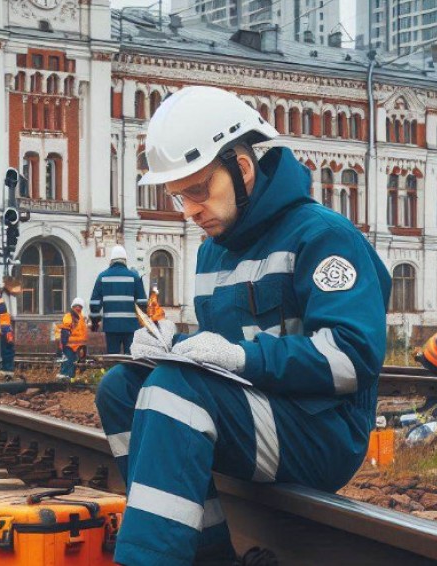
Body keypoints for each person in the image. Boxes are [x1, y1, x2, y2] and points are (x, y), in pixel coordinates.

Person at [94, 86, 391, 566]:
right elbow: (222, 358)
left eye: (197, 190)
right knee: (120, 389)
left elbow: (352, 358)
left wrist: (237, 357)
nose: (188, 210)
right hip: (259, 417)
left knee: (176, 391)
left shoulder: (324, 236)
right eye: (178, 196)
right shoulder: (214, 250)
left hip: (321, 435)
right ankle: (208, 558)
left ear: (243, 168)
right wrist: (175, 346)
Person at [90, 245, 147, 354]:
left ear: (111, 260)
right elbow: (142, 303)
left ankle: (113, 370)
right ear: (125, 260)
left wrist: (95, 322)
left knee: (113, 357)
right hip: (131, 327)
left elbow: (94, 303)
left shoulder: (102, 277)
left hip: (111, 326)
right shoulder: (135, 277)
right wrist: (143, 323)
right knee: (130, 359)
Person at [0, 276, 21, 378]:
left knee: (3, 349)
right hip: (2, 326)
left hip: (3, 326)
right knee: (5, 349)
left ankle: (2, 371)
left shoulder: (4, 295)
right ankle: (3, 370)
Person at [57, 297, 88, 381]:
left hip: (78, 347)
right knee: (67, 362)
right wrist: (62, 344)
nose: (78, 308)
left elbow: (83, 333)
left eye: (80, 306)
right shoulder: (68, 317)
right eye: (76, 306)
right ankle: (63, 380)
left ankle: (70, 380)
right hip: (69, 346)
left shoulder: (81, 318)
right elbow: (65, 330)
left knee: (73, 364)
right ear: (72, 307)